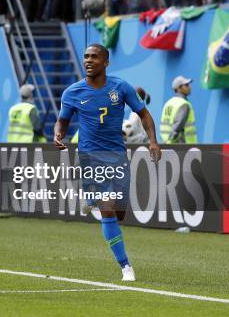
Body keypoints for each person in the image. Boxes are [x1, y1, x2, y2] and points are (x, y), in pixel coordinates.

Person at [54, 44, 161, 282]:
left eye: (94, 56)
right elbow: (62, 121)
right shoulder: (72, 92)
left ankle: (97, 205)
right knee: (108, 209)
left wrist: (153, 141)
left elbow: (143, 114)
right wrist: (58, 134)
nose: (88, 60)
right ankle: (125, 267)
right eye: (86, 56)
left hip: (117, 155)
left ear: (106, 62)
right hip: (90, 156)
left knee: (120, 212)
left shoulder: (120, 87)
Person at [160, 76, 198, 144]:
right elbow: (177, 126)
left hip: (167, 143)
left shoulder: (168, 103)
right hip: (183, 147)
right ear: (178, 88)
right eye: (186, 85)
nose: (189, 87)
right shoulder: (184, 104)